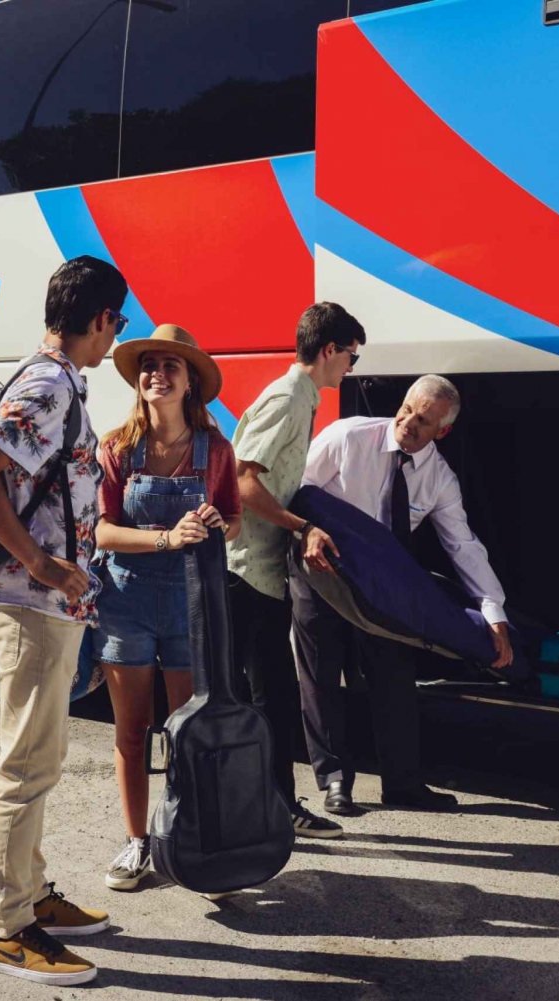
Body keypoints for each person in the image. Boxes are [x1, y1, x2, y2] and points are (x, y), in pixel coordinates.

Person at [0, 255, 126, 987]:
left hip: (46, 603)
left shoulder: (56, 382)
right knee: (25, 767)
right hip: (29, 601)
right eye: (118, 322)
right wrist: (46, 564)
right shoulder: (50, 384)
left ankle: (32, 893)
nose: (118, 335)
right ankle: (7, 926)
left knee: (40, 760)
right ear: (98, 320)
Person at [293, 374, 513, 817]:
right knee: (321, 677)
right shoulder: (347, 437)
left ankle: (404, 785)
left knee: (394, 677)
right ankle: (335, 783)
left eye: (424, 420)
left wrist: (494, 613)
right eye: (408, 409)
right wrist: (305, 534)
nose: (409, 422)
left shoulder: (439, 478)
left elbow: (463, 546)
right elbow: (295, 492)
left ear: (442, 432)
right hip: (321, 572)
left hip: (381, 586)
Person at [90, 324, 242, 891]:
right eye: (149, 365)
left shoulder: (216, 450)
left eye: (170, 366)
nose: (157, 373)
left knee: (187, 730)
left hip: (191, 605)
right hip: (126, 601)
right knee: (133, 730)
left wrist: (215, 526)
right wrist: (165, 539)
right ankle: (137, 844)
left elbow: (234, 515)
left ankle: (192, 838)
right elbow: (101, 532)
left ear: (190, 382)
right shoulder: (116, 448)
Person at [224, 302, 367, 841]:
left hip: (258, 570)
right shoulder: (288, 399)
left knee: (269, 696)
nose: (351, 368)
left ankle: (272, 805)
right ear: (329, 350)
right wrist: (301, 525)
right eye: (351, 356)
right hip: (245, 572)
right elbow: (242, 480)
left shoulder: (299, 400)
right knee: (266, 698)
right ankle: (272, 808)